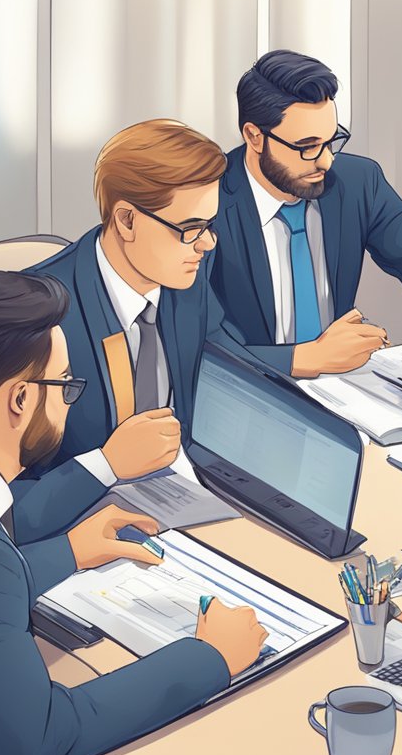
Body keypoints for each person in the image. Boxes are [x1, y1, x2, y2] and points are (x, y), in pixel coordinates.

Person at [0, 271, 268, 755]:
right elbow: (40, 740)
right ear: (20, 399)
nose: (71, 404)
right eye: (67, 386)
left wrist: (68, 551)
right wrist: (208, 657)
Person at [19, 119, 259, 538]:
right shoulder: (36, 318)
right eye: (190, 229)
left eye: (210, 225)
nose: (207, 244)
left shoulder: (187, 281)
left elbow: (228, 363)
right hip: (81, 534)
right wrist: (107, 464)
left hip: (187, 513)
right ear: (126, 221)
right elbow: (2, 503)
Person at [210, 49, 402, 377]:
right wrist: (303, 359)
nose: (326, 161)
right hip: (248, 398)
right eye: (307, 146)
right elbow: (199, 340)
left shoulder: (357, 182)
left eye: (332, 140)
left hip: (342, 390)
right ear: (254, 137)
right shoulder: (207, 203)